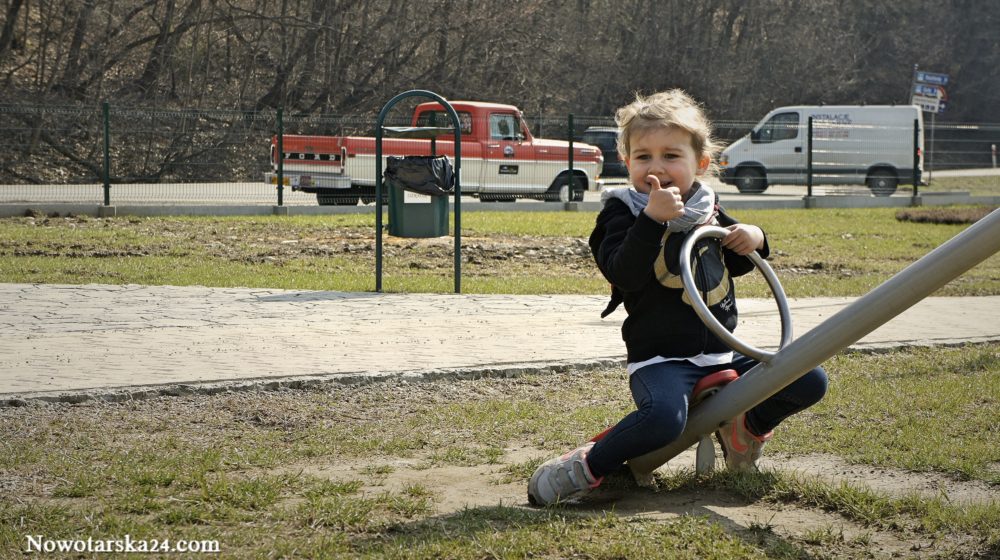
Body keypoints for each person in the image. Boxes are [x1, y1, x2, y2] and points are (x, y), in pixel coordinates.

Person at [528, 90, 828, 506]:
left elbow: (739, 264)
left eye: (671, 156)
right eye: (643, 157)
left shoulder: (708, 209)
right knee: (664, 421)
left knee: (809, 378)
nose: (657, 168)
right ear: (626, 161)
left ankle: (746, 429)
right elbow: (623, 273)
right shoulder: (621, 214)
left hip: (722, 354)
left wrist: (756, 238)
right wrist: (651, 221)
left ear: (700, 164)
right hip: (663, 359)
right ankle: (587, 464)